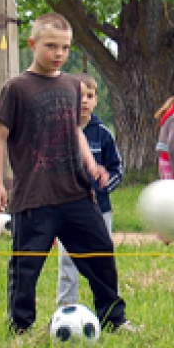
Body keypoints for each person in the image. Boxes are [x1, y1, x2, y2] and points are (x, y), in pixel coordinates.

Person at [0, 13, 132, 334]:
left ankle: (114, 319)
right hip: (35, 198)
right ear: (32, 44)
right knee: (26, 267)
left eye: (65, 48)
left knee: (101, 256)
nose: (59, 54)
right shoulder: (16, 88)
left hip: (76, 194)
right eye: (51, 46)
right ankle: (21, 327)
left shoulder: (71, 85)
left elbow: (75, 130)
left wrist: (91, 164)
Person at [57, 73, 124, 307]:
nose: (84, 101)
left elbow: (118, 168)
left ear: (96, 100)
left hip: (100, 210)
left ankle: (110, 308)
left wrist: (105, 186)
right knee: (67, 261)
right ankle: (66, 306)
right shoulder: (61, 134)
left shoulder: (103, 134)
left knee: (103, 259)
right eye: (79, 95)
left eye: (90, 96)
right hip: (68, 210)